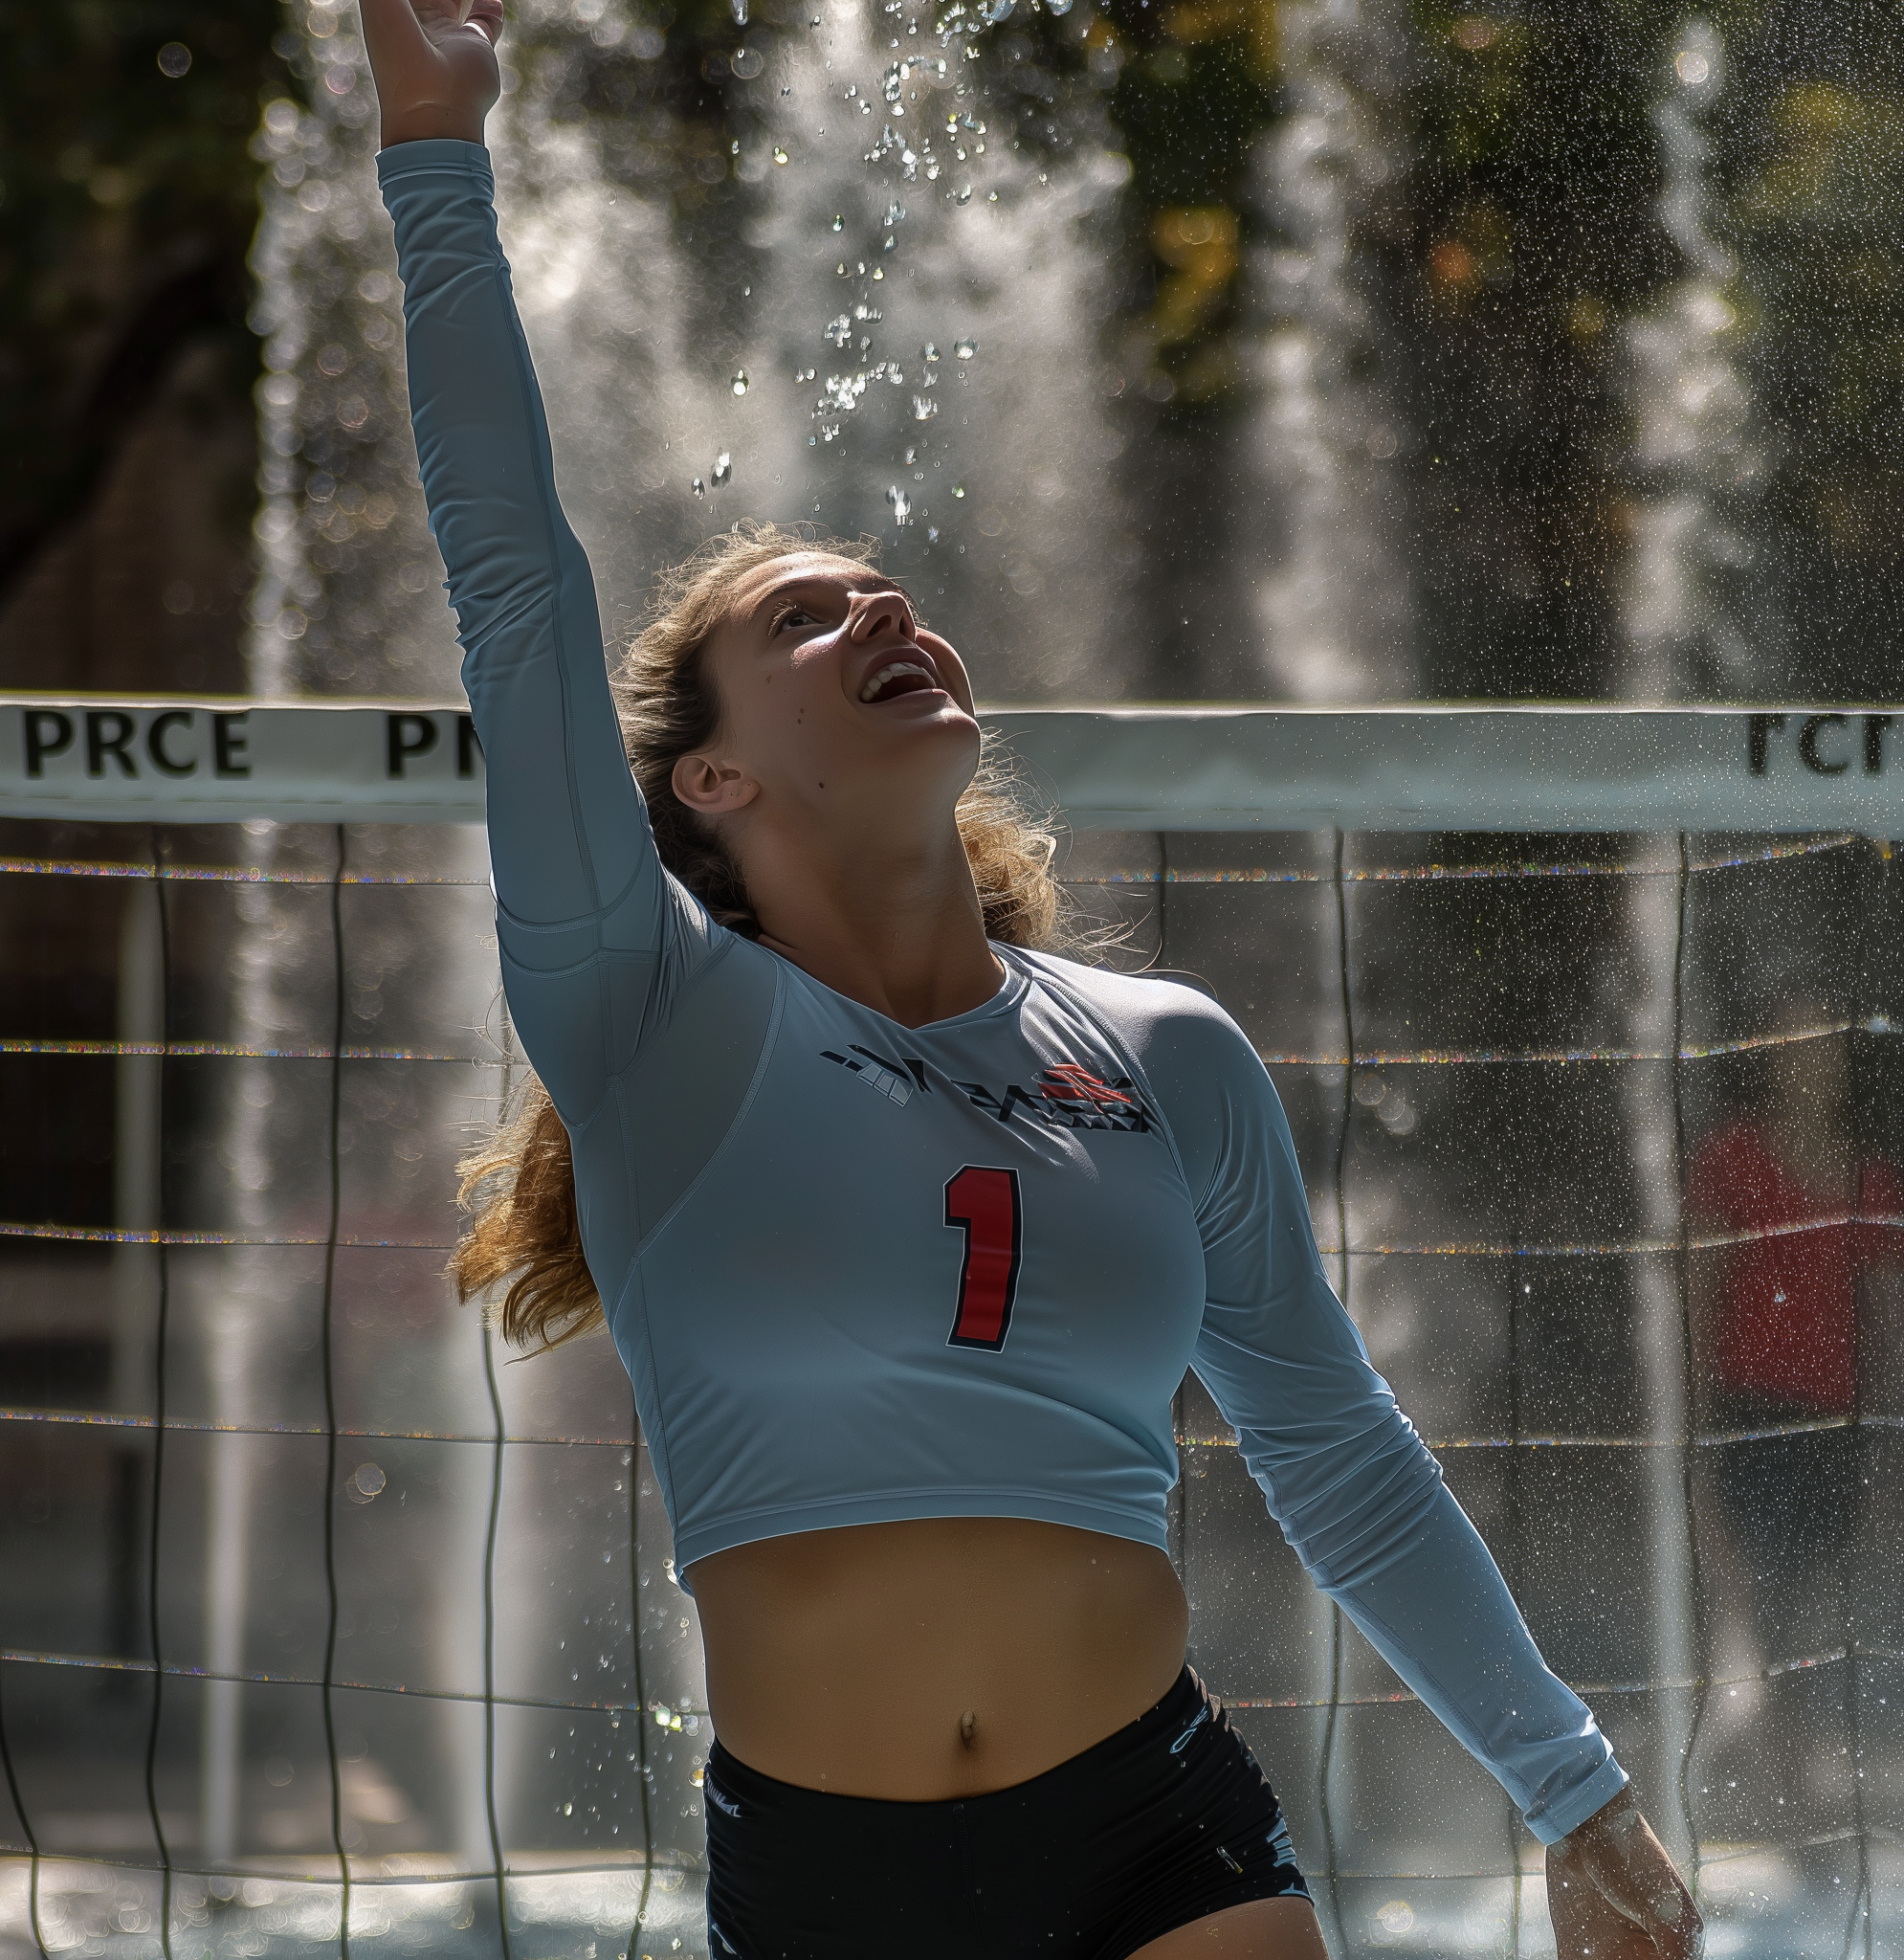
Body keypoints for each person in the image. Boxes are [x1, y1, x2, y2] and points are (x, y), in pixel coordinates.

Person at [357, 2, 1704, 1951]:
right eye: (802, 621)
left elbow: (1335, 1449)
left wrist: (1574, 1795)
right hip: (835, 1876)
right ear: (708, 784)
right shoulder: (649, 1016)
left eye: (881, 592)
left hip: (1163, 1827)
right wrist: (433, 151)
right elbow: (514, 581)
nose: (882, 610)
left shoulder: (1160, 1050)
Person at [1687, 1003, 1900, 1662]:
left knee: (1811, 1612)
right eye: (1797, 1048)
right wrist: (1696, 1415)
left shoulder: (1872, 1185)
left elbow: (1888, 1327)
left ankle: (1788, 1758)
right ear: (1774, 1061)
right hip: (1748, 1412)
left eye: (1824, 1050)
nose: (1811, 1064)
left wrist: (1888, 1445)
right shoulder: (1733, 1158)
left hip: (1834, 1423)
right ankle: (1774, 1756)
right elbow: (1698, 1293)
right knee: (1749, 1604)